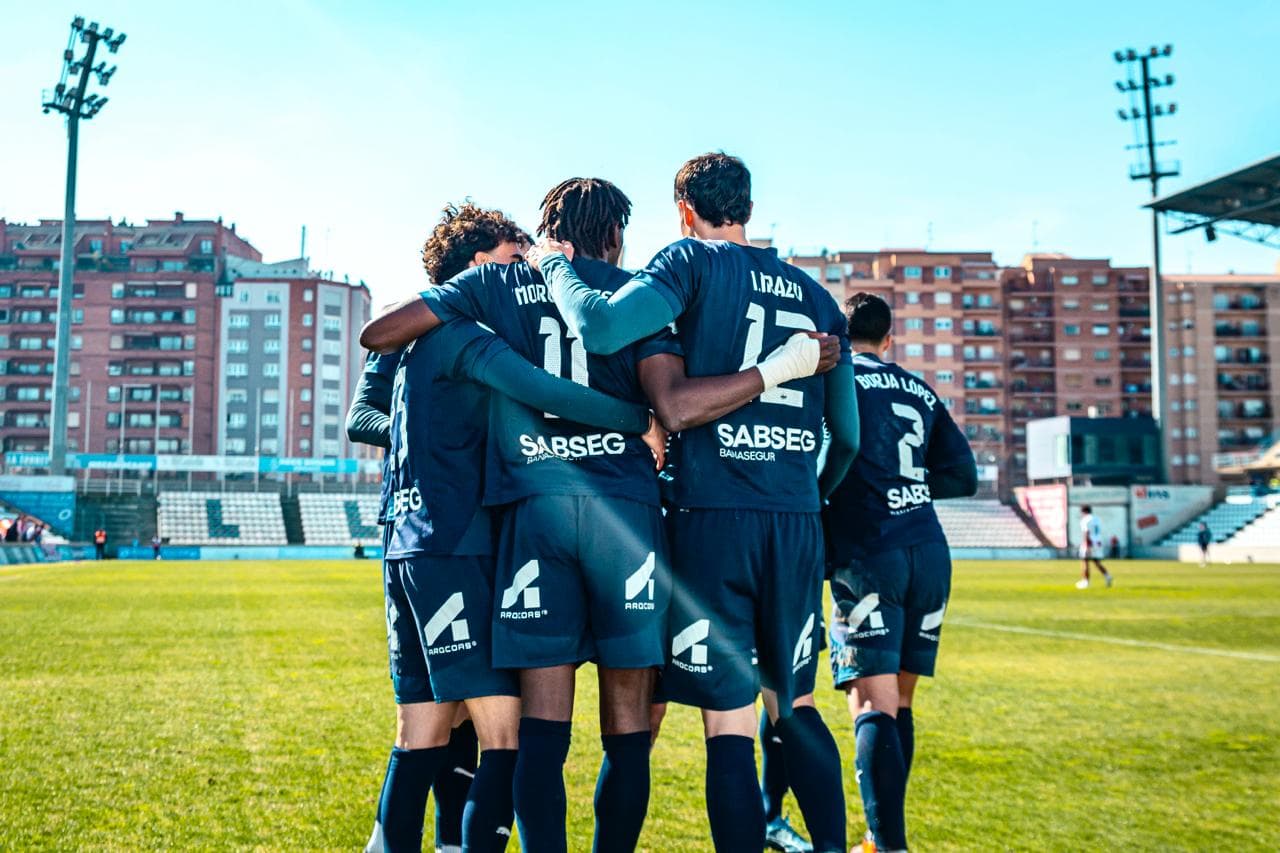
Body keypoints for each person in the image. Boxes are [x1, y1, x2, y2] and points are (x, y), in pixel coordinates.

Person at [361, 175, 837, 853]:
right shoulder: (634, 293)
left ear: (546, 226)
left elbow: (382, 333)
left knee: (540, 732)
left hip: (538, 519)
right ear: (616, 235)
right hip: (625, 519)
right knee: (628, 729)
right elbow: (665, 396)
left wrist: (455, 302)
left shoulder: (496, 286)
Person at [523, 154, 860, 853]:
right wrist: (806, 495)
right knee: (793, 706)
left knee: (730, 725)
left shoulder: (688, 261)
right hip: (797, 521)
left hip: (714, 520)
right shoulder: (818, 296)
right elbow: (849, 437)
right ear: (747, 205)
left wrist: (555, 266)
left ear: (684, 211)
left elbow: (607, 331)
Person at [805, 293, 974, 853]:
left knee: (871, 705)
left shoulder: (837, 378)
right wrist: (913, 488)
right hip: (928, 549)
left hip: (869, 553)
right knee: (899, 705)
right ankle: (885, 839)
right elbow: (964, 475)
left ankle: (888, 844)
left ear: (841, 332)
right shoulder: (921, 389)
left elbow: (830, 452)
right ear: (890, 338)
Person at [1076, 505, 1113, 589]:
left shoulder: (1085, 520)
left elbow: (1086, 532)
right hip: (1098, 542)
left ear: (1083, 512)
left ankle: (1085, 582)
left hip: (1090, 542)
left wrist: (1086, 544)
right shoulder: (1096, 519)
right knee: (1096, 561)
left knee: (1084, 561)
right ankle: (1107, 576)